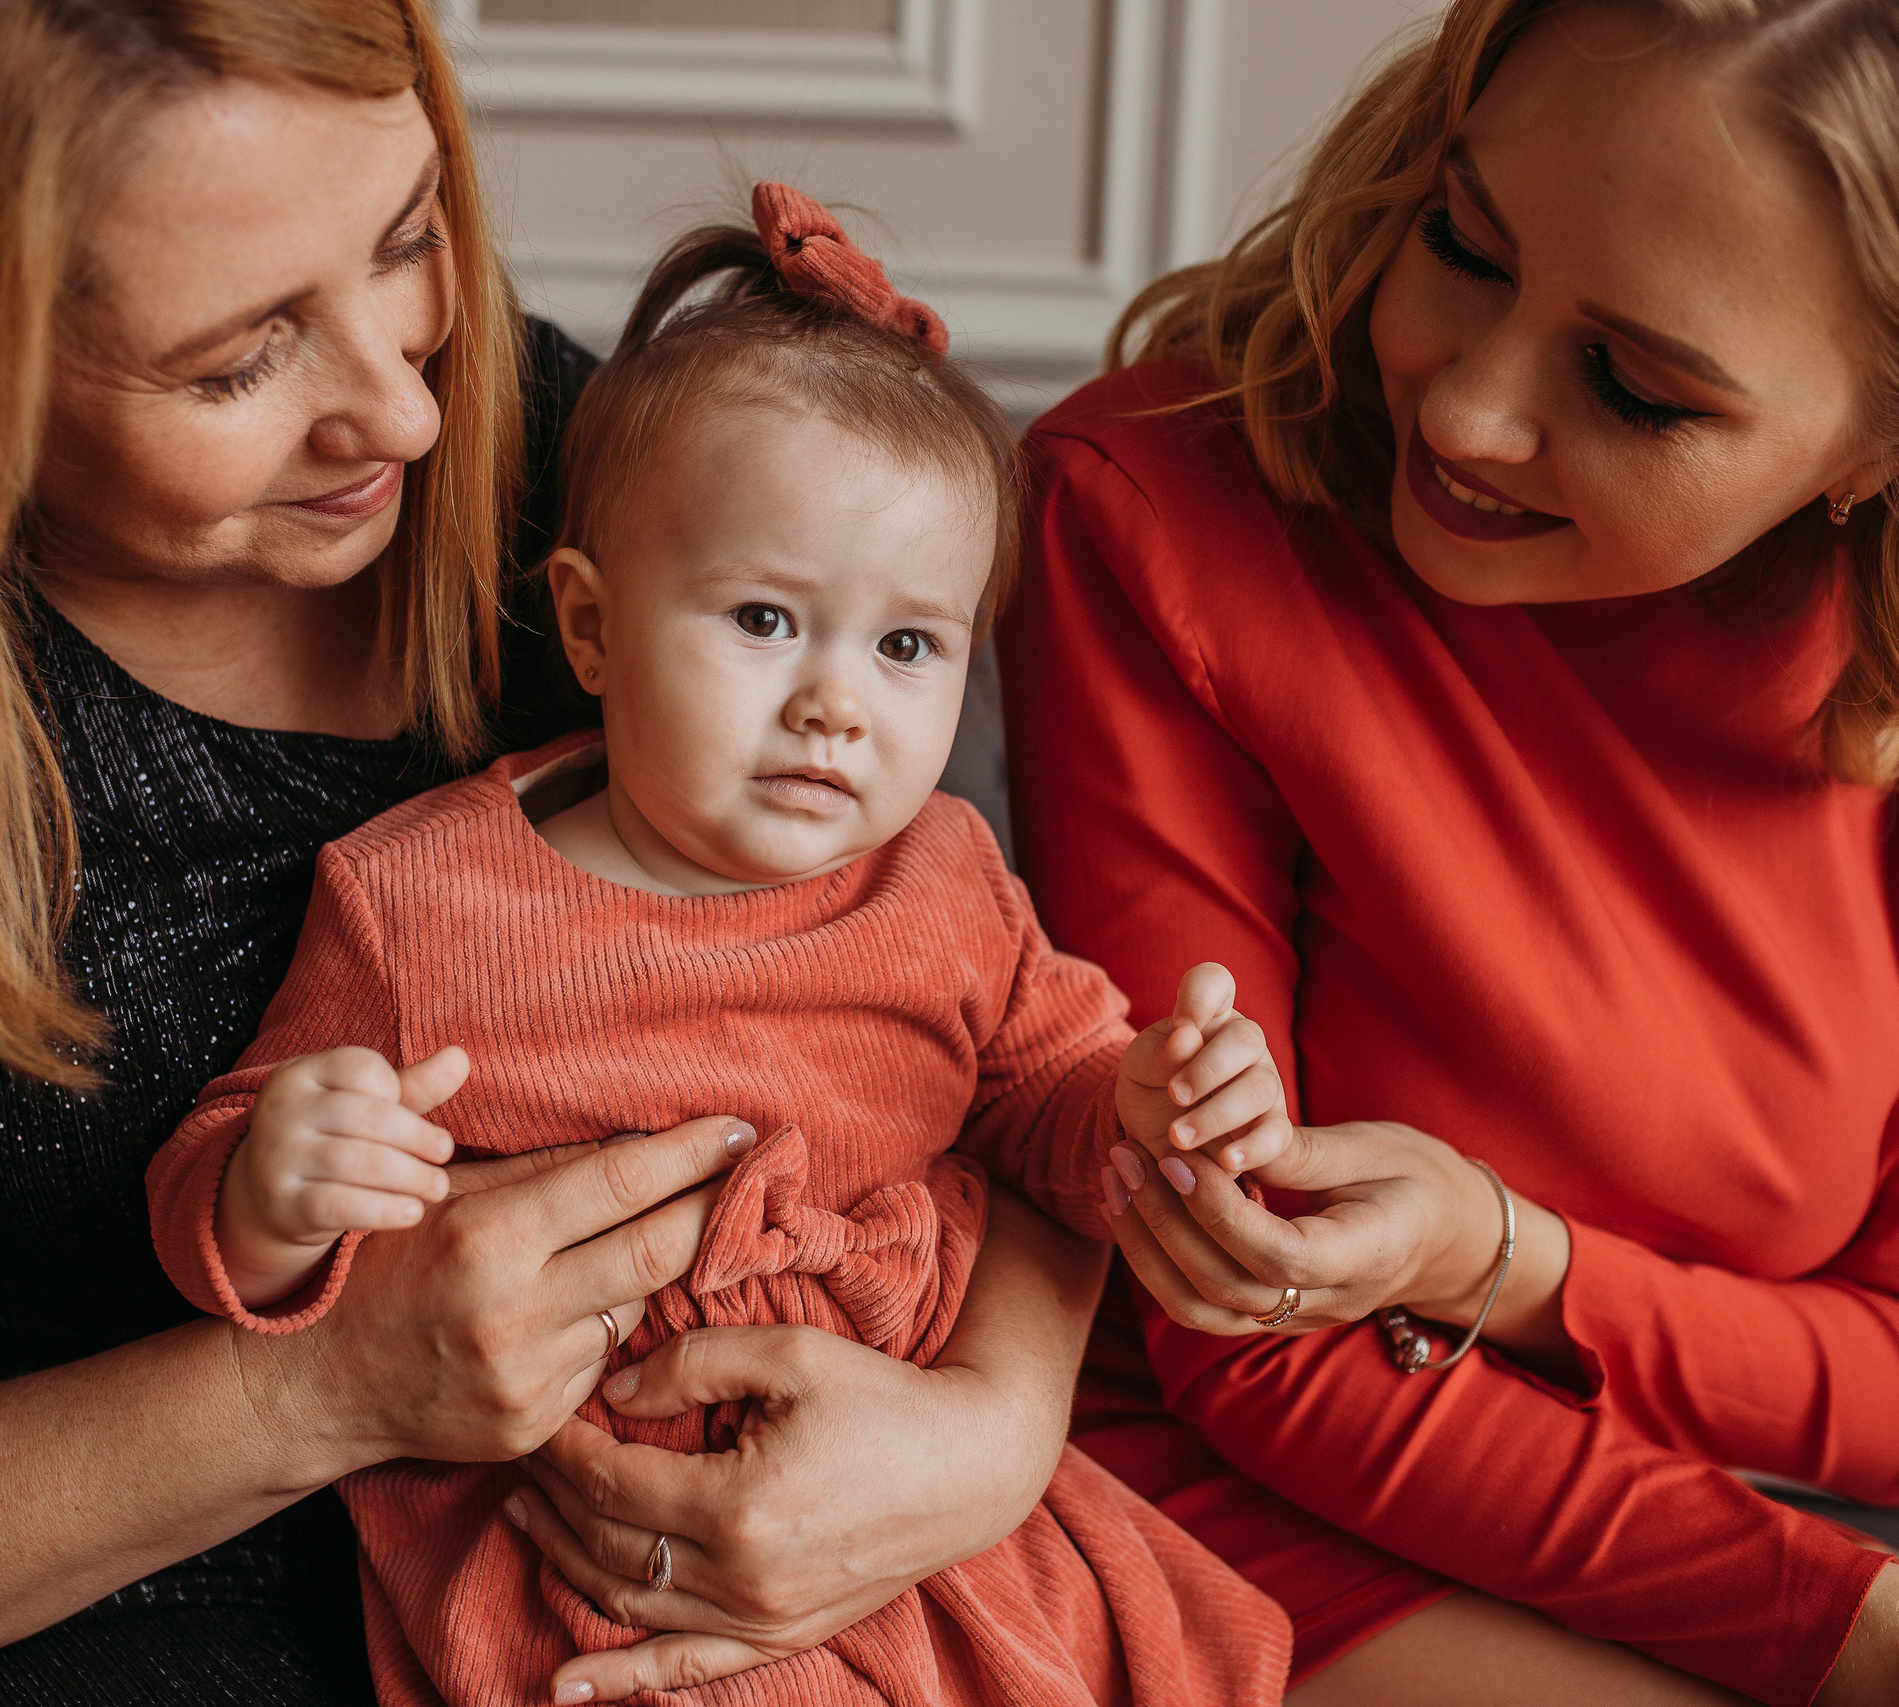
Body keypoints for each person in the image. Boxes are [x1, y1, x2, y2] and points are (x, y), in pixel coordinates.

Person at [0, 8, 1108, 1704]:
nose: (407, 414)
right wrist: (330, 1387)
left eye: (409, 239)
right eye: (235, 361)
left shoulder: (569, 470)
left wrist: (989, 1429)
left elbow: (980, 1023)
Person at [999, 1, 1899, 1703]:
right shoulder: (1151, 511)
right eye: (1463, 245)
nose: (1469, 416)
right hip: (1215, 1486)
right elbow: (1248, 1329)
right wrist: (1880, 1637)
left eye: (1635, 389)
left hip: (1640, 1513)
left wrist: (1498, 1258)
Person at [144, 183, 1296, 1706]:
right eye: (764, 620)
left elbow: (1047, 1100)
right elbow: (224, 1188)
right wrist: (277, 1186)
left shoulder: (942, 874)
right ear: (595, 628)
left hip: (912, 1479)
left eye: (907, 647)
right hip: (617, 1538)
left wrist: (1148, 1108)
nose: (839, 702)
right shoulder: (422, 902)